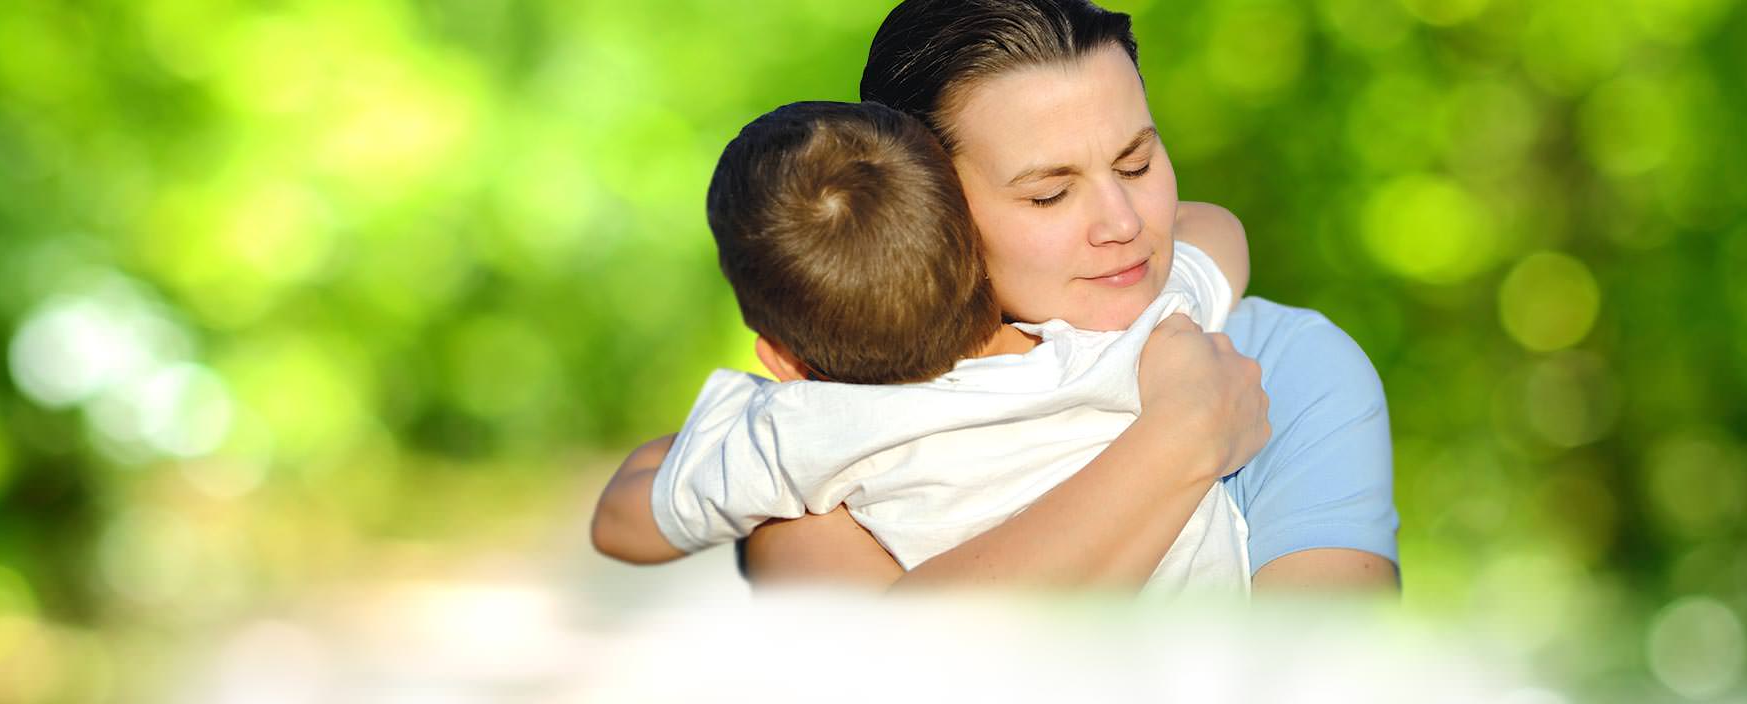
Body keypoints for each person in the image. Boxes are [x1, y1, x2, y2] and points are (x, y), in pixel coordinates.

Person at [595, 0, 1398, 592]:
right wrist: (1181, 436)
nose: (1123, 224)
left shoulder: (810, 439)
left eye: (1137, 163)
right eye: (1049, 194)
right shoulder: (1160, 347)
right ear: (937, 205)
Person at [609, 98, 1256, 592]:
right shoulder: (1134, 343)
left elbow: (621, 520)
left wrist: (738, 428)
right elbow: (1217, 231)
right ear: (980, 248)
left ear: (783, 360)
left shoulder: (805, 431)